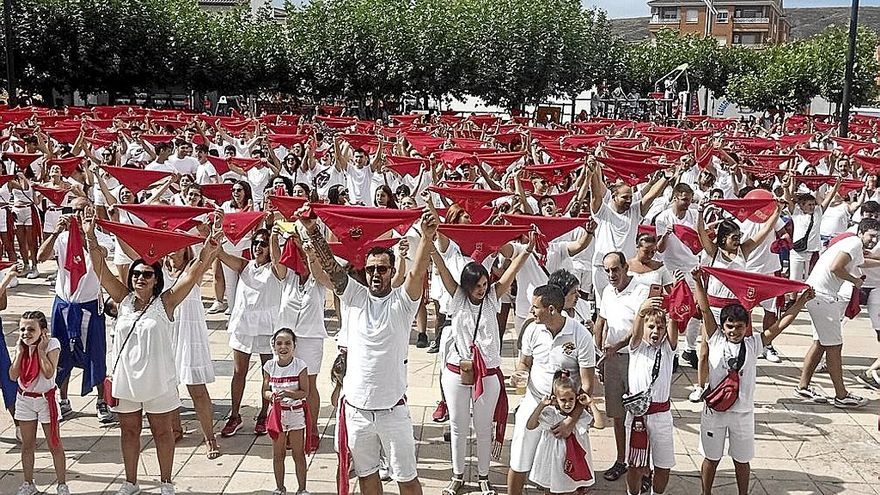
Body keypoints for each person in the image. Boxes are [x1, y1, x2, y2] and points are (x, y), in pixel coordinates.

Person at [299, 203, 436, 495]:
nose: (376, 273)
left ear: (391, 271)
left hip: (392, 411)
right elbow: (332, 269)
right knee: (366, 477)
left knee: (407, 481)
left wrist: (426, 238)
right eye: (371, 268)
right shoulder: (354, 296)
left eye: (382, 269)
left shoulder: (402, 304)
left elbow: (417, 273)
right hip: (357, 411)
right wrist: (313, 232)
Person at [84, 210, 220, 495]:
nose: (139, 278)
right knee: (130, 432)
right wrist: (89, 236)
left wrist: (209, 243)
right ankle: (130, 482)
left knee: (162, 433)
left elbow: (194, 272)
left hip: (158, 380)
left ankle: (166, 481)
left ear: (156, 279)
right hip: (127, 381)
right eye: (135, 274)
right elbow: (101, 269)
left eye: (146, 274)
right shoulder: (123, 299)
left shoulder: (166, 302)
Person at [692, 269, 813, 495]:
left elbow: (783, 323)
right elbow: (706, 308)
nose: (734, 331)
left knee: (742, 460)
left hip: (743, 413)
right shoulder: (715, 338)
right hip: (715, 411)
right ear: (723, 327)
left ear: (747, 326)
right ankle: (705, 493)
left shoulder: (755, 344)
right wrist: (698, 281)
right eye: (730, 326)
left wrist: (803, 299)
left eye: (739, 327)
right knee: (711, 458)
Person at [430, 235, 534, 495]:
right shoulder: (458, 298)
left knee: (483, 427)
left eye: (485, 284)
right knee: (458, 425)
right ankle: (457, 476)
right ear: (466, 285)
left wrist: (527, 250)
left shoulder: (493, 298)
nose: (482, 289)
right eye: (477, 285)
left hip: (488, 374)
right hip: (458, 373)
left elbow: (512, 272)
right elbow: (443, 270)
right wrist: (429, 247)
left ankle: (484, 477)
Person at [507, 284, 596, 495]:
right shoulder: (531, 329)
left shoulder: (580, 335)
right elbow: (525, 363)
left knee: (561, 470)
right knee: (519, 458)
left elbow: (587, 386)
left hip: (564, 408)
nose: (531, 311)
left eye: (535, 307)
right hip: (534, 400)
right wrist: (518, 374)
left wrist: (570, 420)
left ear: (551, 309)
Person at [35, 198, 115, 423]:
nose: (78, 215)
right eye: (74, 210)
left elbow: (102, 257)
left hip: (89, 304)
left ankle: (101, 401)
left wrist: (88, 234)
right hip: (65, 304)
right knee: (61, 354)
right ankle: (63, 400)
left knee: (96, 354)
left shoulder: (100, 238)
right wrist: (54, 233)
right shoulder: (62, 239)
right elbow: (41, 257)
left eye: (83, 210)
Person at [796, 218, 880, 407]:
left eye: (877, 238)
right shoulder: (854, 243)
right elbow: (836, 267)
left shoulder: (851, 243)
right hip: (823, 297)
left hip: (816, 295)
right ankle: (841, 395)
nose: (874, 241)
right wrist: (854, 280)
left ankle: (803, 386)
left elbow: (862, 262)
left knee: (820, 343)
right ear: (861, 232)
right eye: (872, 236)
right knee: (834, 346)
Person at [218, 227, 285, 437]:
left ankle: (265, 414)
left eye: (263, 244)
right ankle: (235, 415)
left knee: (268, 373)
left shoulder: (276, 269)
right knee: (239, 372)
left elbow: (277, 260)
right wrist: (213, 234)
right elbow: (220, 253)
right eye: (256, 243)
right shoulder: (244, 266)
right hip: (244, 326)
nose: (258, 247)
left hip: (267, 328)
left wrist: (273, 235)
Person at [273, 231, 333, 452]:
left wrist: (311, 255)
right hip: (286, 338)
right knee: (286, 384)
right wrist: (273, 235)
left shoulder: (318, 276)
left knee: (309, 385)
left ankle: (313, 428)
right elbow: (275, 261)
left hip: (310, 338)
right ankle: (289, 428)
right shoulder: (287, 274)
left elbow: (322, 274)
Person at [593, 252, 650, 483]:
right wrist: (598, 352)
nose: (611, 274)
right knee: (617, 414)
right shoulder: (607, 291)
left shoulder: (641, 290)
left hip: (635, 358)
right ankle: (621, 459)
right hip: (612, 360)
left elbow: (638, 329)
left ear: (626, 267)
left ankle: (645, 468)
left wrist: (615, 346)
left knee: (641, 416)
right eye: (607, 270)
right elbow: (601, 321)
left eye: (615, 269)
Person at [164, 247, 220, 458]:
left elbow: (209, 254)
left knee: (197, 389)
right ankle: (175, 429)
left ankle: (209, 438)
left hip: (189, 334)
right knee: (168, 386)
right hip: (167, 332)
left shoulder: (192, 269)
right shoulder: (158, 270)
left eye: (177, 245)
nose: (172, 250)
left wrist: (213, 235)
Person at [10, 310, 70, 495]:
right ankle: (28, 483)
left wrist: (41, 351)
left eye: (31, 329)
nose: (26, 333)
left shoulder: (52, 344)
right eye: (22, 329)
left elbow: (49, 372)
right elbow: (13, 375)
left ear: (43, 331)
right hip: (25, 399)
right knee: (27, 444)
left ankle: (62, 484)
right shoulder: (21, 346)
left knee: (54, 443)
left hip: (46, 400)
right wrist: (20, 353)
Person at [624, 298, 679, 495]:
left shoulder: (668, 349)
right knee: (634, 464)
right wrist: (642, 311)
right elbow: (636, 330)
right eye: (651, 326)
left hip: (660, 415)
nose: (656, 331)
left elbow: (674, 323)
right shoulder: (636, 347)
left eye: (660, 328)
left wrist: (673, 303)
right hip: (637, 416)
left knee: (663, 465)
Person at [525, 371, 595, 495]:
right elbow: (530, 425)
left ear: (576, 397)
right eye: (563, 400)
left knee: (569, 489)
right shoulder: (551, 415)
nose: (567, 403)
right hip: (551, 462)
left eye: (571, 399)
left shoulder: (580, 417)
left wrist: (591, 404)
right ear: (556, 400)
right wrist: (541, 405)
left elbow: (600, 424)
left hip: (571, 460)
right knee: (549, 490)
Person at [263, 328, 310, 495]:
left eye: (287, 343)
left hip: (295, 413)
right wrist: (272, 396)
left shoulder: (300, 366)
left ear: (294, 346)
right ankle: (280, 488)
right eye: (279, 343)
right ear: (274, 346)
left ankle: (302, 489)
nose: (283, 347)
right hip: (277, 414)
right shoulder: (269, 366)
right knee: (278, 454)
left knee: (298, 453)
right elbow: (265, 391)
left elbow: (305, 392)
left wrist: (289, 393)